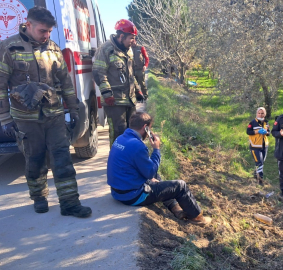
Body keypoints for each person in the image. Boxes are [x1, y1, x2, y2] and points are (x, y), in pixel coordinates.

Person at [0, 7, 91, 217]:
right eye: (43, 31)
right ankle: (39, 197)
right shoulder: (8, 48)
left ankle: (70, 203)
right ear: (28, 25)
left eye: (49, 31)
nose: (47, 36)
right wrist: (4, 118)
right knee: (35, 160)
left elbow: (65, 81)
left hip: (54, 115)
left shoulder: (52, 48)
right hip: (26, 119)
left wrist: (74, 109)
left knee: (62, 158)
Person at [107, 112, 212, 227]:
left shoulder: (120, 139)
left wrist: (150, 178)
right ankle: (197, 217)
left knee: (156, 178)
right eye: (149, 129)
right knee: (180, 186)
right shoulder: (137, 146)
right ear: (145, 127)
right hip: (132, 196)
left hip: (117, 192)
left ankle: (175, 208)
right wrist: (156, 149)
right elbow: (151, 171)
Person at [92, 19, 143, 147]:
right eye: (131, 38)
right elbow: (99, 73)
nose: (133, 42)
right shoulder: (105, 50)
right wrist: (107, 94)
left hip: (129, 101)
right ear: (121, 36)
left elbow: (131, 74)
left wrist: (138, 90)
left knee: (132, 132)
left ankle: (128, 161)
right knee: (118, 134)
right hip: (114, 101)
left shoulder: (128, 50)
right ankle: (117, 162)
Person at [246, 107, 270, 185]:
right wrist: (257, 131)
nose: (260, 114)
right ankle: (260, 180)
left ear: (265, 114)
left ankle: (255, 175)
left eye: (262, 113)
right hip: (255, 145)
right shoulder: (252, 122)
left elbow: (269, 133)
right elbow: (248, 132)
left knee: (262, 162)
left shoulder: (266, 122)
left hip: (264, 145)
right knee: (259, 162)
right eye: (259, 113)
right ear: (256, 113)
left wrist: (266, 132)